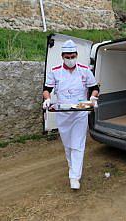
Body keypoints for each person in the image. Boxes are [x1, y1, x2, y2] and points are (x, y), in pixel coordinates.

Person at [43, 40, 99, 190]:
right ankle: (72, 167)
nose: (70, 59)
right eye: (67, 57)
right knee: (68, 145)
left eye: (72, 56)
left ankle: (74, 177)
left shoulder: (84, 70)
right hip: (63, 113)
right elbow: (47, 88)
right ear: (62, 56)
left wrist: (93, 98)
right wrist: (47, 99)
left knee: (78, 145)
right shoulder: (55, 71)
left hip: (80, 112)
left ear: (77, 55)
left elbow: (94, 87)